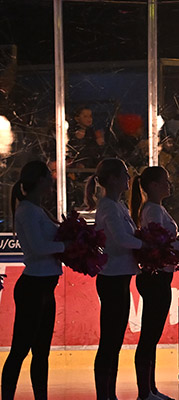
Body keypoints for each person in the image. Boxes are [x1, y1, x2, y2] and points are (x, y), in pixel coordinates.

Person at [1, 161, 65, 400]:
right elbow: (38, 247)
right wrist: (66, 246)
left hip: (45, 287)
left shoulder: (37, 210)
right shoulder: (27, 210)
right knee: (20, 349)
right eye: (49, 176)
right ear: (39, 181)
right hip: (33, 288)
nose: (52, 180)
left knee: (41, 352)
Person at [85, 158, 145, 400]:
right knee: (110, 340)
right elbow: (121, 239)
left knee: (115, 341)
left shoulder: (117, 206)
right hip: (111, 277)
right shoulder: (108, 206)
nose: (128, 178)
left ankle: (110, 394)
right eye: (124, 174)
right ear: (112, 179)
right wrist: (148, 243)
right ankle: (104, 395)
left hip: (121, 277)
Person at [129, 166, 179, 400]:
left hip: (161, 276)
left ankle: (150, 389)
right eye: (165, 180)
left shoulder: (156, 208)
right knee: (149, 336)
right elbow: (158, 242)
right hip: (155, 277)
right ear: (152, 185)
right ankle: (145, 392)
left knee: (153, 335)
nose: (169, 184)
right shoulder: (152, 210)